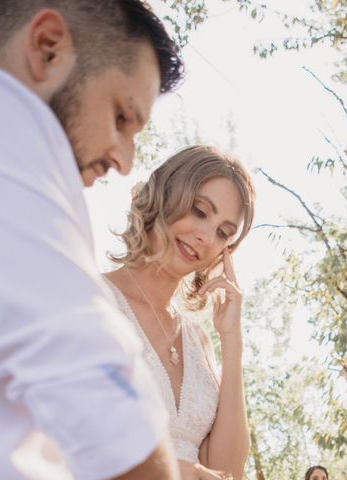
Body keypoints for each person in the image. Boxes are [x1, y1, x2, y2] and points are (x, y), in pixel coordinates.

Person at [0, 1, 187, 479]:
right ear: (48, 47)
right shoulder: (11, 135)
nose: (123, 161)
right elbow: (108, 421)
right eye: (121, 117)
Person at [104, 146, 255, 480]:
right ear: (167, 194)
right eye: (200, 211)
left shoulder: (198, 342)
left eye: (223, 233)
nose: (204, 237)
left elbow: (228, 471)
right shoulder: (92, 300)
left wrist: (232, 342)